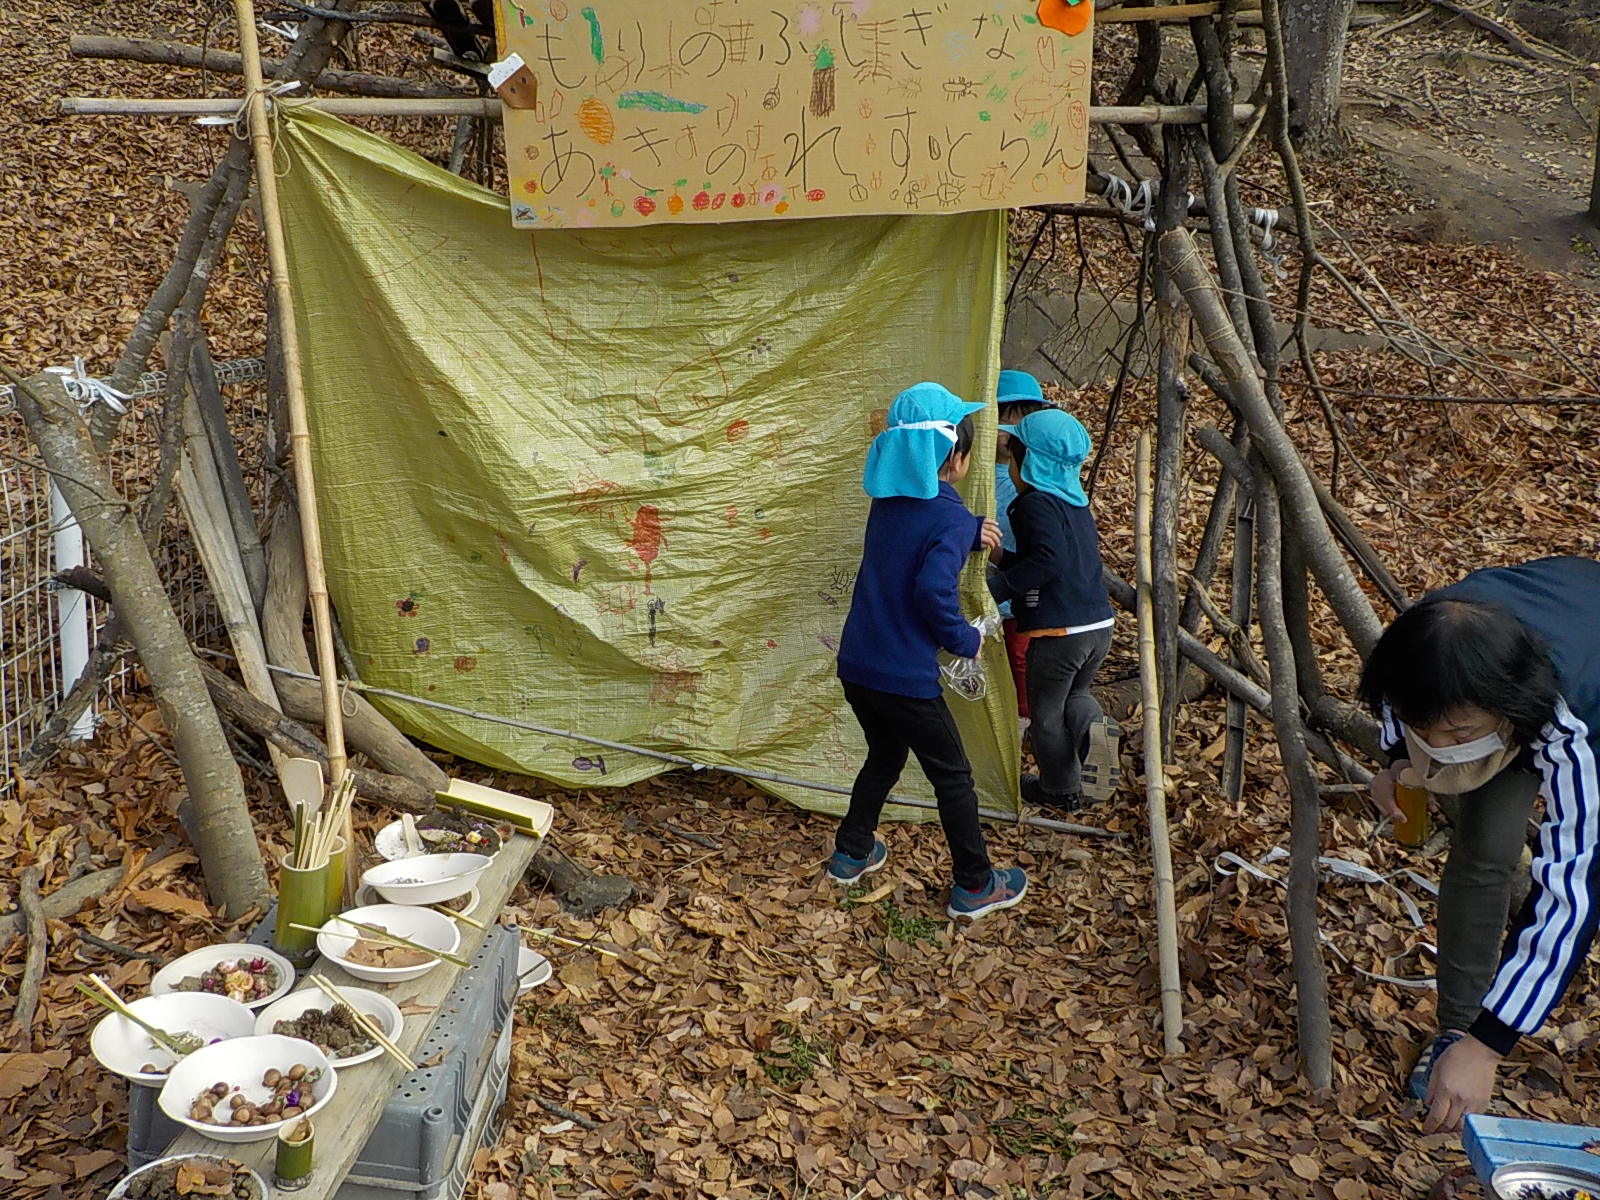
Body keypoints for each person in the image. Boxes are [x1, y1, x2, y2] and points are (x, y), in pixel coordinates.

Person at [1358, 556, 1600, 1133]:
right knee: (1485, 849)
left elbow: (1573, 885)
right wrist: (1398, 760)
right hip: (1510, 672)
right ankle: (1457, 1023)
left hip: (1579, 678)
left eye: (1458, 735)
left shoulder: (1569, 724)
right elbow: (1398, 706)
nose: (1440, 748)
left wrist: (1490, 1046)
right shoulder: (1420, 647)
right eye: (1427, 732)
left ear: (1509, 713)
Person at [831, 381, 1029, 922]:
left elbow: (912, 544)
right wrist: (966, 638)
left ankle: (851, 852)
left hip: (858, 667)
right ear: (956, 457)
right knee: (953, 776)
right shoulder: (948, 518)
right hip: (906, 679)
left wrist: (968, 532)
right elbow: (931, 589)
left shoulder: (887, 503)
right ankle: (975, 884)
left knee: (884, 755)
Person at [986, 408, 1117, 810]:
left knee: (1045, 715)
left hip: (1058, 633)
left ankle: (1059, 789)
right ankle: (1094, 729)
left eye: (1011, 458)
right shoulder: (1074, 504)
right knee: (1076, 695)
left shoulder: (1034, 505)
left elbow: (1046, 561)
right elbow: (1053, 559)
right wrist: (1003, 558)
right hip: (1098, 626)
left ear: (1027, 462)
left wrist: (997, 587)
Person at [991, 370, 1055, 727]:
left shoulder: (1037, 476)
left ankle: (1025, 720)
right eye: (1004, 422)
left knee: (1020, 655)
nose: (1010, 434)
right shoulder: (976, 472)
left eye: (1020, 424)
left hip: (1023, 585)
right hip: (988, 582)